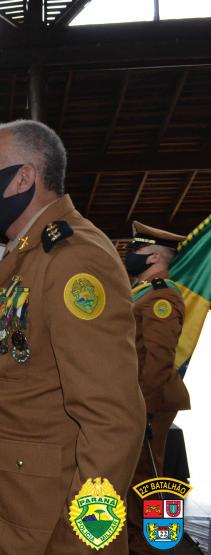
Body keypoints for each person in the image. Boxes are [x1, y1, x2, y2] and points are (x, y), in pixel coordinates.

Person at [0, 119, 144, 554]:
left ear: (24, 178)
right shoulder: (28, 249)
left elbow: (111, 421)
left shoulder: (74, 259)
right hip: (18, 498)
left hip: (52, 520)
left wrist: (88, 539)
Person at [123, 222, 190, 555]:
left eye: (135, 250)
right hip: (136, 398)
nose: (128, 255)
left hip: (151, 399)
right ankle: (138, 534)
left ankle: (151, 543)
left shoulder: (161, 295)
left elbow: (159, 362)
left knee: (148, 473)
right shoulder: (142, 290)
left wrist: (145, 408)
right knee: (138, 470)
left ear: (152, 256)